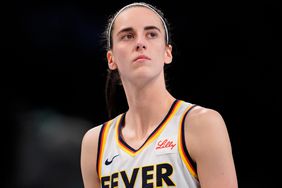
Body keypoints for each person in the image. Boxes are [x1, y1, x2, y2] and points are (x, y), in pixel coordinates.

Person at [80, 2, 238, 188]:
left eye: (151, 34)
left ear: (167, 53)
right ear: (111, 59)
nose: (140, 43)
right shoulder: (95, 143)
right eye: (128, 36)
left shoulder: (201, 124)